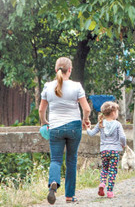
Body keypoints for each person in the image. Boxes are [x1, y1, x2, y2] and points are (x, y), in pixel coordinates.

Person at [39, 57, 91, 204]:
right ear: (70, 70)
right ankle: (69, 196)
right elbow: (86, 108)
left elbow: (41, 109)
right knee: (71, 161)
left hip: (55, 127)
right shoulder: (76, 86)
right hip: (74, 127)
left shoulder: (48, 86)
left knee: (55, 160)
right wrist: (85, 120)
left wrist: (44, 122)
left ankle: (53, 183)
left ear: (56, 70)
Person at [86, 101, 126, 198]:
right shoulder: (117, 124)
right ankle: (110, 192)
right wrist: (123, 145)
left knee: (105, 169)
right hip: (114, 151)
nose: (117, 114)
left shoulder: (100, 123)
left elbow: (91, 134)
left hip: (104, 151)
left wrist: (87, 128)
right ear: (113, 113)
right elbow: (123, 137)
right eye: (116, 112)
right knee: (112, 170)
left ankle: (102, 183)